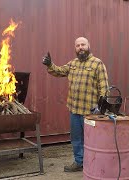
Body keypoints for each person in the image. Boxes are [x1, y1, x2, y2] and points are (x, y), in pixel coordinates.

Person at [42, 37, 109, 172]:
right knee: (76, 139)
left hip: (91, 112)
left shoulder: (97, 64)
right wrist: (50, 65)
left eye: (83, 44)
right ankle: (79, 162)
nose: (80, 47)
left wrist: (100, 108)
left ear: (88, 46)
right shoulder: (73, 64)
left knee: (92, 140)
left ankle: (93, 163)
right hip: (74, 110)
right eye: (78, 45)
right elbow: (59, 71)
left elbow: (104, 88)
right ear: (75, 48)